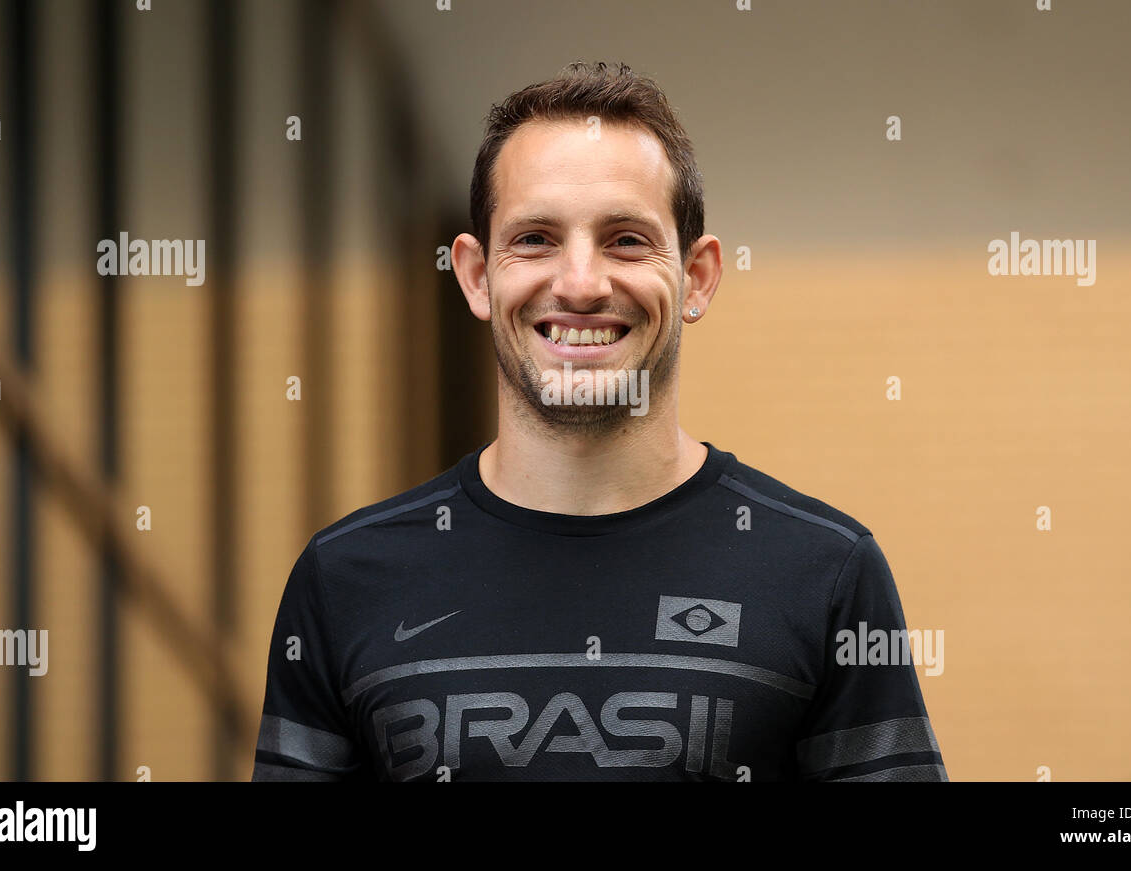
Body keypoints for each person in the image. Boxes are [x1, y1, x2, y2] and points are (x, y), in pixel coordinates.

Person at [252, 61, 947, 781]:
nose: (581, 284)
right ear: (476, 276)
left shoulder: (826, 572)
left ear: (696, 277)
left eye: (625, 239)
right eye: (534, 239)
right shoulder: (343, 580)